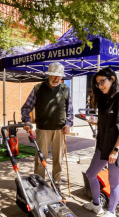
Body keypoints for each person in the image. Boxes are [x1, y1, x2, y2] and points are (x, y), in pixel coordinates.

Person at [82, 68, 119, 217]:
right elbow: (110, 120)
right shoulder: (105, 98)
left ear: (112, 78)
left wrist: (116, 150)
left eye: (102, 81)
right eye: (97, 84)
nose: (100, 86)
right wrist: (96, 121)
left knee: (113, 181)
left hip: (115, 147)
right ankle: (96, 204)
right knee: (91, 174)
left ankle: (111, 213)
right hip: (102, 145)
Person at [21, 62, 73, 201]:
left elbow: (70, 111)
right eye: (54, 76)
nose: (57, 79)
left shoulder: (65, 89)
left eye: (59, 76)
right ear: (49, 74)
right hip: (43, 129)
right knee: (40, 159)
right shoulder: (38, 88)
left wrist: (68, 124)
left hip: (60, 130)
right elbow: (26, 107)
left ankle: (56, 186)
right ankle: (39, 186)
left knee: (58, 160)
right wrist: (26, 121)